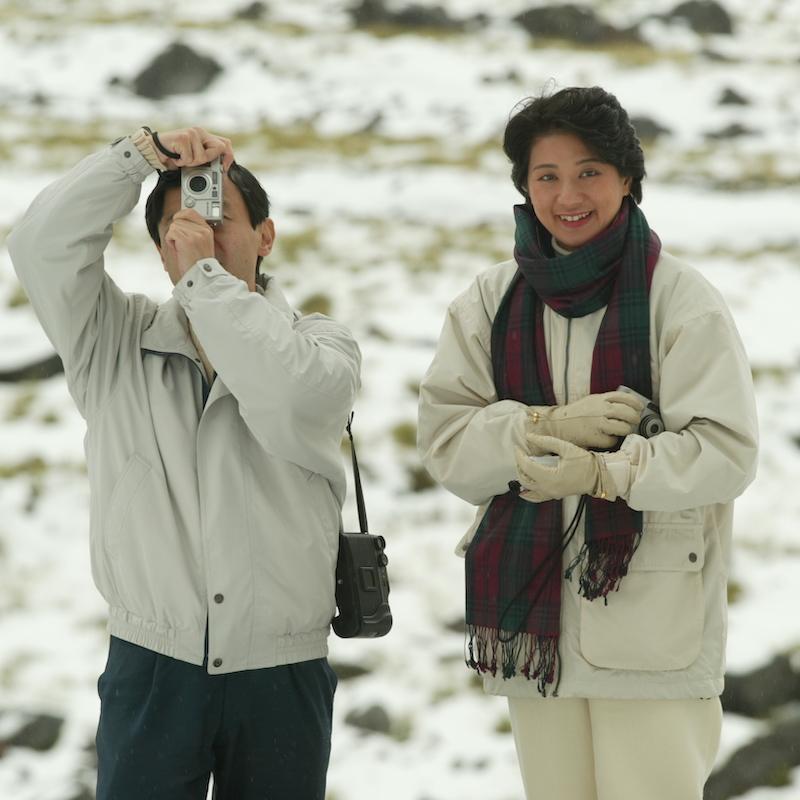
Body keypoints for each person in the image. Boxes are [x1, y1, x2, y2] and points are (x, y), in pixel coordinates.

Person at [417, 86, 758, 800]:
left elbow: (726, 453)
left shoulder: (680, 301)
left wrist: (607, 474)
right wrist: (536, 429)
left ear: (628, 178)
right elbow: (446, 439)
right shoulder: (491, 300)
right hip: (535, 626)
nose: (568, 194)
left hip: (653, 626)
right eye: (547, 175)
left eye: (590, 172)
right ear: (524, 187)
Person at [7, 126, 361, 800]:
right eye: (183, 222)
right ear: (160, 247)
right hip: (152, 663)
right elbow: (39, 246)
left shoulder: (321, 345)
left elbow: (284, 390)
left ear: (267, 236)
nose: (203, 229)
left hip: (281, 669)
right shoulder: (113, 341)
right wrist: (137, 157)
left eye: (223, 217)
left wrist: (204, 281)